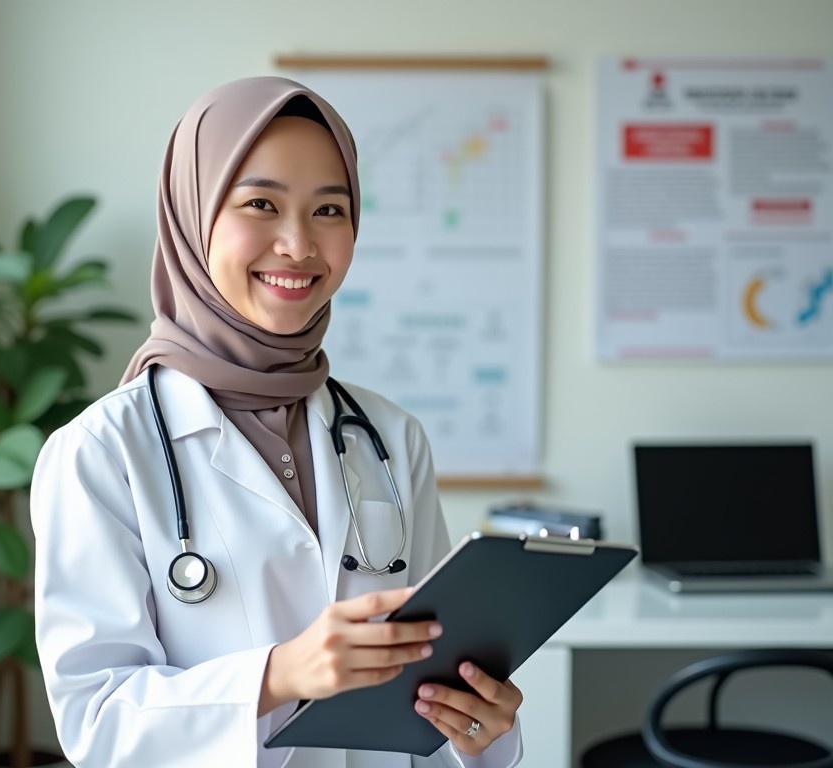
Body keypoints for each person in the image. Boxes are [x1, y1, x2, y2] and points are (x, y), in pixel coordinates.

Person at [30, 76, 523, 768]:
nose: (298, 244)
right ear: (192, 217)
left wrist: (482, 727)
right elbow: (97, 721)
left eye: (330, 209)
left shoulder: (391, 437)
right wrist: (279, 675)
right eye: (260, 203)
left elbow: (432, 685)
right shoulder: (100, 452)